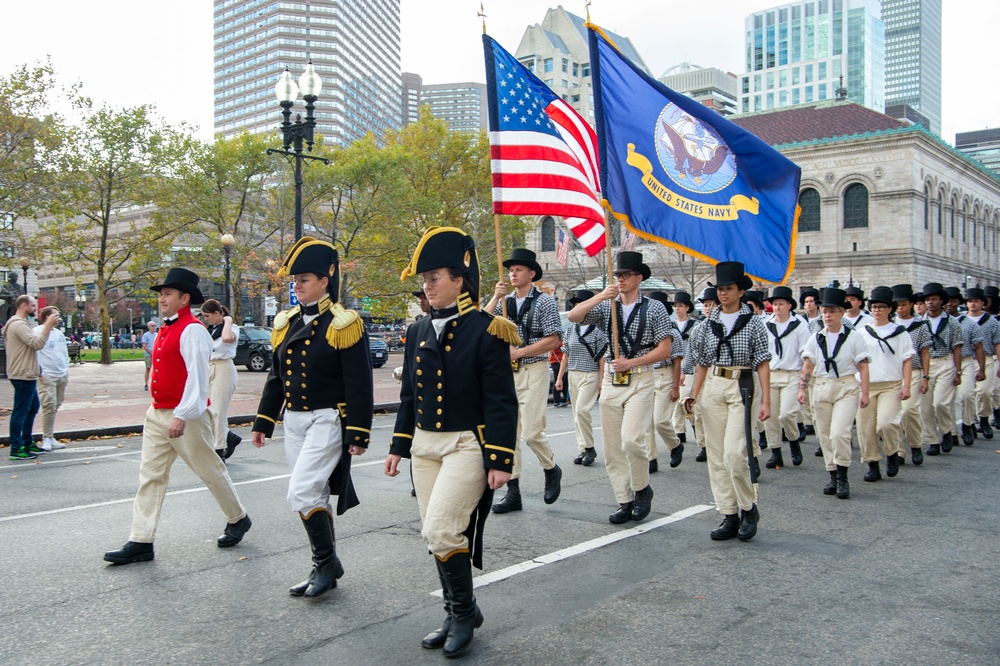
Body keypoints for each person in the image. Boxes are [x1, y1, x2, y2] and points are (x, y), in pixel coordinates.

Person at [385, 227, 517, 658]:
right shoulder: (418, 329)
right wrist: (398, 446)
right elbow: (409, 394)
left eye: (436, 276)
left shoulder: (487, 329)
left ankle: (462, 615)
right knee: (437, 536)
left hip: (466, 444)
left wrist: (499, 458)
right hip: (424, 446)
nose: (428, 285)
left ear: (460, 279)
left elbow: (501, 400)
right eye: (425, 279)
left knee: (442, 528)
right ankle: (460, 609)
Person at [251, 238, 373, 598]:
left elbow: (359, 381)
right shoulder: (286, 321)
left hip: (328, 418)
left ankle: (325, 562)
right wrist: (263, 419)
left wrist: (358, 432)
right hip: (295, 419)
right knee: (313, 492)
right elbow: (278, 376)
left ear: (326, 279)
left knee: (302, 491)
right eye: (295, 280)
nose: (297, 285)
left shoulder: (344, 323)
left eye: (304, 279)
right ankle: (326, 565)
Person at [104, 268, 251, 564]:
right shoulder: (166, 327)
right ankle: (141, 540)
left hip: (187, 415)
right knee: (150, 477)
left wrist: (182, 415)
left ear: (184, 299)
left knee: (209, 469)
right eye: (161, 294)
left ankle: (238, 518)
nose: (162, 299)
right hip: (158, 412)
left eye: (168, 294)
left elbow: (197, 378)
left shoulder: (192, 329)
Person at [568, 251, 673, 524]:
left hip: (640, 377)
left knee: (631, 440)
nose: (621, 279)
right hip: (613, 380)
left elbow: (665, 349)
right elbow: (574, 316)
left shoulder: (654, 308)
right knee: (613, 448)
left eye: (626, 275)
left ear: (639, 277)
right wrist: (603, 295)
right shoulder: (608, 306)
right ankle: (623, 500)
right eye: (618, 275)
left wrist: (633, 361)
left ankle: (641, 489)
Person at [684, 262, 770, 540]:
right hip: (714, 384)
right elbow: (701, 363)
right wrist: (694, 394)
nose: (723, 294)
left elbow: (763, 363)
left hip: (743, 385)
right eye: (720, 289)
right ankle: (728, 513)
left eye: (728, 289)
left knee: (735, 454)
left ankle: (748, 506)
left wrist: (766, 400)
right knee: (717, 455)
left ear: (741, 291)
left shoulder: (755, 323)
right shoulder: (706, 325)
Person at [485, 248, 563, 513]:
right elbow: (480, 325)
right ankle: (513, 491)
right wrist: (495, 296)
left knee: (531, 432)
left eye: (518, 269)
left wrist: (520, 351)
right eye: (511, 270)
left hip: (534, 368)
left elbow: (553, 339)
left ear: (531, 273)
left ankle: (551, 468)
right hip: (508, 373)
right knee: (509, 434)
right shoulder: (504, 301)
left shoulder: (544, 302)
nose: (513, 273)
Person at [797, 288, 870, 499]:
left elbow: (863, 366)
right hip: (821, 386)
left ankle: (843, 475)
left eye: (832, 311)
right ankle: (832, 473)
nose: (827, 315)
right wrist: (802, 389)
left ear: (842, 313)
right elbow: (808, 365)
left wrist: (865, 393)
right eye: (824, 311)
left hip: (846, 386)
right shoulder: (815, 338)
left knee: (840, 433)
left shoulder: (854, 337)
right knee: (825, 435)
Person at [855, 287, 914, 481]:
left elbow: (906, 360)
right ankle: (872, 463)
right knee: (867, 427)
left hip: (890, 384)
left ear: (890, 309)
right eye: (874, 307)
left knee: (887, 423)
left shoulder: (900, 332)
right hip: (866, 386)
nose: (877, 310)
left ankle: (892, 453)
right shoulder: (861, 332)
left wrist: (906, 385)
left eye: (881, 307)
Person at [2, 295, 60, 460]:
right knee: (21, 410)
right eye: (33, 305)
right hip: (22, 373)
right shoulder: (18, 325)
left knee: (32, 407)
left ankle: (26, 442)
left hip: (26, 371)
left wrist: (38, 369)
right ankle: (16, 447)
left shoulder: (20, 324)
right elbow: (37, 344)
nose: (35, 308)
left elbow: (27, 349)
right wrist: (47, 325)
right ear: (23, 305)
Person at [555, 290, 607, 466]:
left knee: (582, 410)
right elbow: (565, 355)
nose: (578, 308)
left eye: (581, 304)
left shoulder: (598, 332)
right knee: (576, 413)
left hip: (591, 374)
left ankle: (590, 447)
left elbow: (602, 357)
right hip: (574, 374)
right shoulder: (571, 330)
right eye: (576, 305)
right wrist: (560, 377)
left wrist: (602, 379)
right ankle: (583, 448)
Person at [762, 287, 810, 468]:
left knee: (787, 413)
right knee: (770, 416)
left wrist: (804, 383)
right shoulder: (767, 325)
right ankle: (776, 452)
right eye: (774, 304)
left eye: (780, 304)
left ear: (789, 305)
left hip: (792, 373)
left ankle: (793, 440)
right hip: (771, 374)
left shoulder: (799, 326)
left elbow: (806, 354)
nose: (777, 307)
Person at [919, 283, 964, 457]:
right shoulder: (920, 322)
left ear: (941, 301)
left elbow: (957, 347)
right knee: (926, 406)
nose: (930, 302)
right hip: (926, 363)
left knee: (941, 402)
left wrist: (958, 371)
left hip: (945, 361)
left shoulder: (952, 322)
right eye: (928, 299)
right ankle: (932, 440)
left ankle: (946, 431)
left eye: (934, 299)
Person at [642, 291, 683, 472]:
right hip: (647, 375)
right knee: (646, 422)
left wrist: (675, 387)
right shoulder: (644, 330)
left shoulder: (673, 332)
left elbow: (677, 361)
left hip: (665, 375)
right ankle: (651, 458)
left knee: (660, 421)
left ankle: (675, 444)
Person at [892, 285, 931, 464]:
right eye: (898, 305)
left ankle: (915, 443)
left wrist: (925, 376)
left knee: (909, 410)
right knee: (895, 413)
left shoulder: (920, 326)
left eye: (904, 305)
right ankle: (899, 450)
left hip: (914, 371)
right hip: (893, 373)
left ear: (911, 305)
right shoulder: (891, 325)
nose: (901, 308)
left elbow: (925, 351)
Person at [200, 299, 243, 460]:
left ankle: (219, 448)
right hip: (211, 368)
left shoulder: (231, 328)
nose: (206, 319)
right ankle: (229, 437)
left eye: (208, 315)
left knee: (218, 411)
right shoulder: (212, 330)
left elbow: (226, 339)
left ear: (217, 313)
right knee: (209, 411)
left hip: (224, 368)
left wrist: (228, 319)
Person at [944, 287, 985, 447]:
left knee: (967, 394)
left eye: (953, 301)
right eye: (947, 301)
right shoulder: (939, 322)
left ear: (959, 303)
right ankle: (950, 431)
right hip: (946, 361)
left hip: (966, 360)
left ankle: (968, 424)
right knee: (945, 401)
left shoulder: (969, 324)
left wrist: (981, 368)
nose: (949, 304)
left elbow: (979, 346)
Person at [684, 288, 718, 463]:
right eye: (705, 305)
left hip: (718, 371)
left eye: (711, 304)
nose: (707, 308)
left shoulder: (724, 326)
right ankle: (704, 445)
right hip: (700, 371)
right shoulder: (698, 329)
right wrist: (685, 371)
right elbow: (691, 352)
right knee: (698, 410)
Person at [33, 307, 70, 451]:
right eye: (55, 315)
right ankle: (46, 437)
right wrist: (39, 371)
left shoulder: (59, 334)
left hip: (61, 373)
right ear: (47, 316)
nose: (58, 318)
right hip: (47, 374)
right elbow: (35, 350)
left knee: (56, 404)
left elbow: (63, 352)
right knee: (49, 405)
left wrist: (66, 369)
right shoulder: (37, 331)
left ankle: (50, 435)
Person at [965, 287, 1000, 439]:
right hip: (967, 359)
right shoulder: (960, 321)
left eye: (976, 301)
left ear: (982, 303)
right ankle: (970, 422)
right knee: (967, 394)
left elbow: (997, 342)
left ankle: (984, 418)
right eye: (970, 301)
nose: (973, 304)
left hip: (987, 358)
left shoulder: (992, 322)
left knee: (985, 391)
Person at [669, 291, 698, 461]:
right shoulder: (671, 325)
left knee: (688, 399)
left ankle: (696, 429)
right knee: (675, 400)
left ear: (687, 308)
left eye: (680, 306)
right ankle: (680, 432)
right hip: (675, 364)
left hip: (690, 366)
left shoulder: (695, 325)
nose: (677, 309)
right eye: (675, 306)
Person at [141, 321, 157, 390]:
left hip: (156, 354)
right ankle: (146, 384)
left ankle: (156, 383)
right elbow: (144, 345)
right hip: (148, 355)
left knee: (156, 369)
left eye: (154, 326)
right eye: (152, 326)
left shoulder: (157, 334)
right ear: (148, 327)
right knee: (148, 368)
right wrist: (150, 353)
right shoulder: (146, 335)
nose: (153, 327)